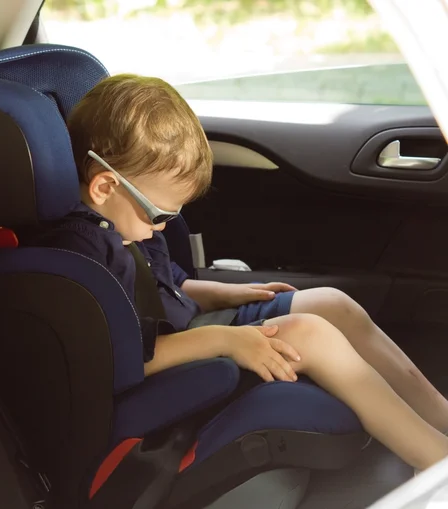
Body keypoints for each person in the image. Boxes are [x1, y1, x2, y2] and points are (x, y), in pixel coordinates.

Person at [27, 73, 448, 472]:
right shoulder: (79, 255)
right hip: (167, 368)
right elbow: (123, 358)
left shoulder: (128, 224)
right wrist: (226, 338)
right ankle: (434, 458)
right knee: (310, 334)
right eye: (159, 215)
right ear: (104, 187)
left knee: (333, 304)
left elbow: (167, 285)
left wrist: (227, 293)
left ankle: (440, 416)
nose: (162, 227)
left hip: (192, 328)